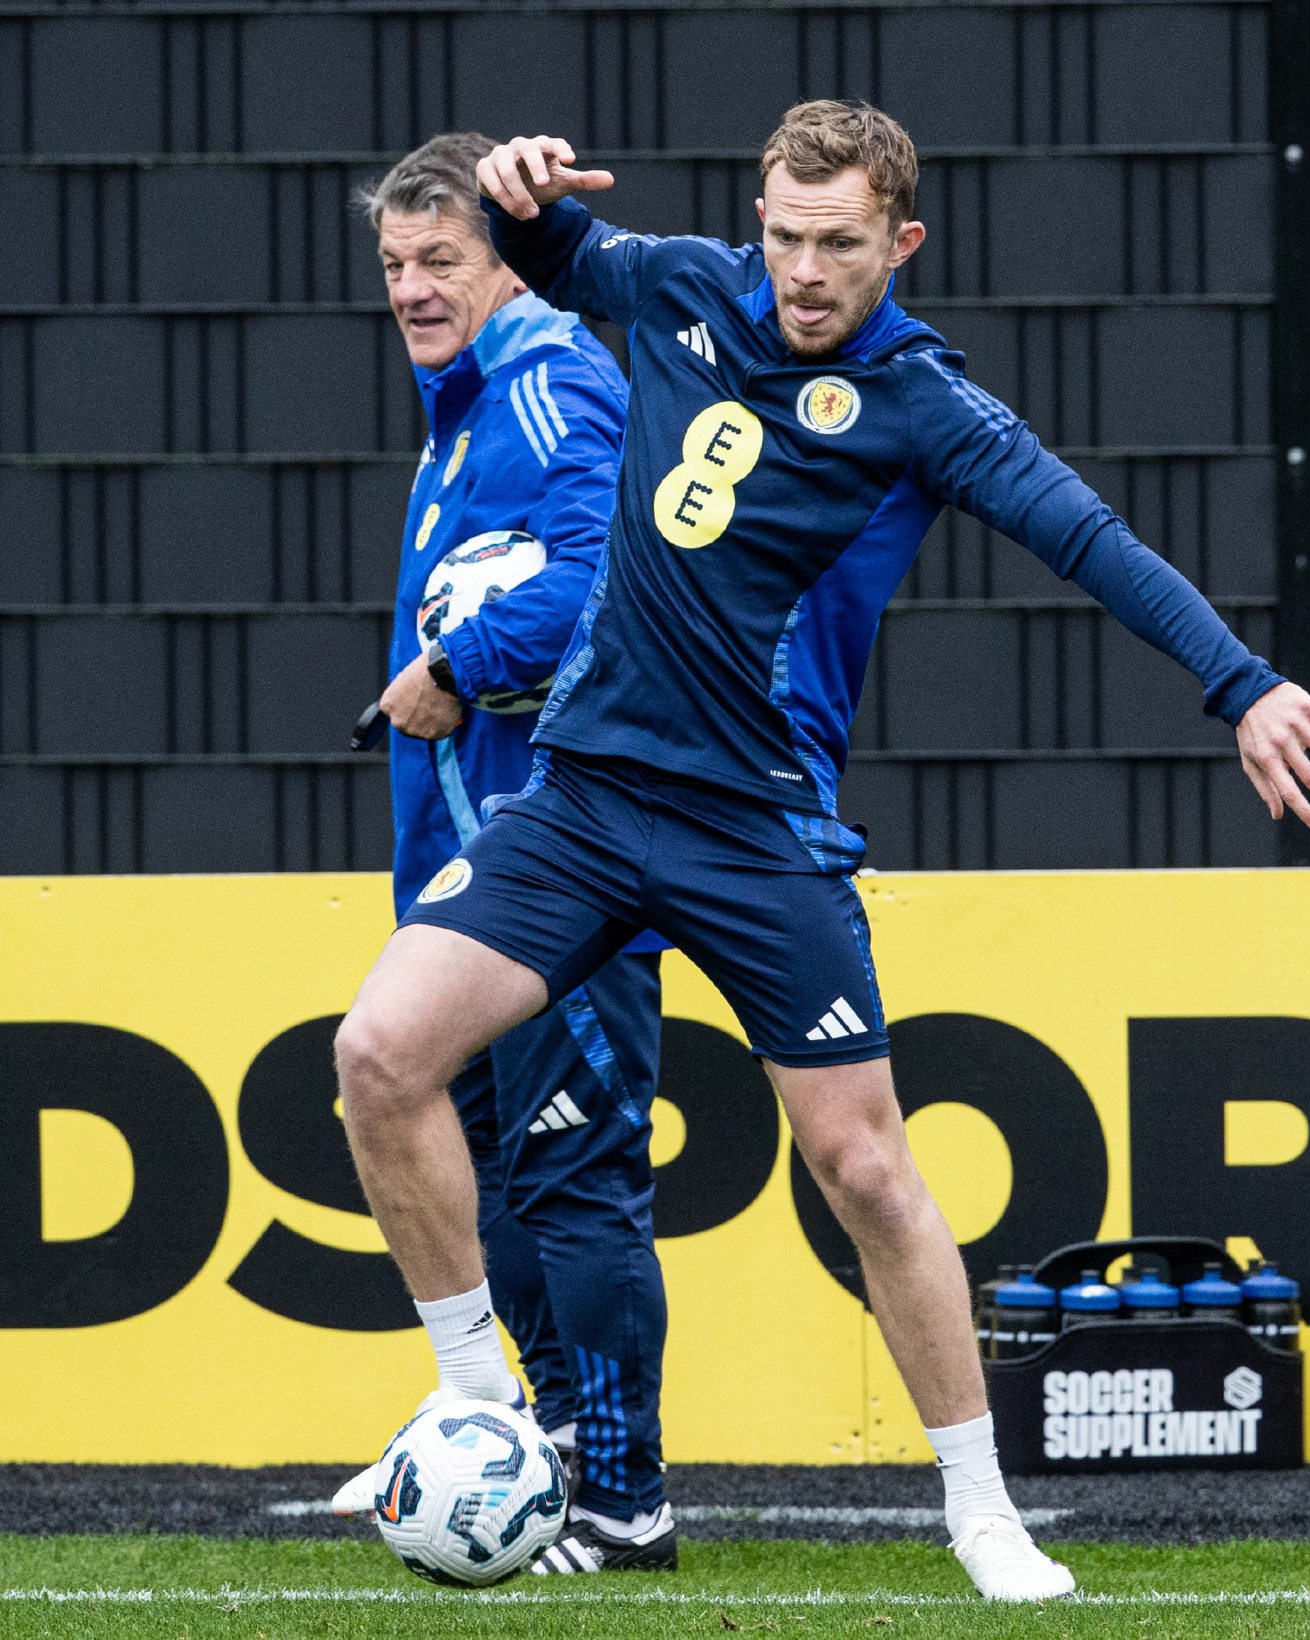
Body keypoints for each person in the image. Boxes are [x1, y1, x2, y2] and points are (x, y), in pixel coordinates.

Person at [335, 102, 1310, 1598]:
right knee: (379, 1055)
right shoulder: (684, 286)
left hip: (759, 831)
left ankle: (980, 1510)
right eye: (785, 235)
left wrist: (1245, 685)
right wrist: (516, 188)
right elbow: (546, 245)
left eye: (838, 244)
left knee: (867, 1172)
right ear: (755, 220)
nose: (804, 271)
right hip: (585, 798)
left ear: (902, 242)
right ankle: (483, 1404)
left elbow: (1090, 540)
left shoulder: (923, 404)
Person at [332, 133, 675, 1571]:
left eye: (442, 262)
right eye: (396, 264)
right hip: (472, 869)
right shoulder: (465, 403)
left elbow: (613, 585)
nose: (413, 289)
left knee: (572, 1171)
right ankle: (525, 1443)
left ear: (503, 261)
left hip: (562, 859)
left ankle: (624, 1499)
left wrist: (459, 667)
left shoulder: (553, 386)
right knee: (490, 1167)